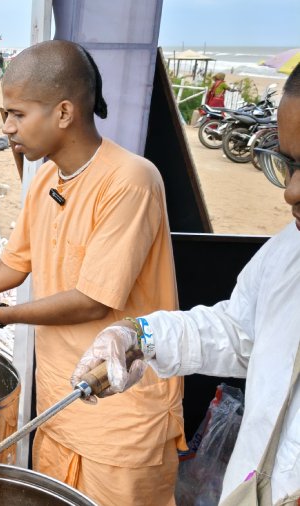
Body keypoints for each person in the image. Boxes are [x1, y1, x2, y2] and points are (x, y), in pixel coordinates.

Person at [0, 40, 184, 506]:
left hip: (121, 412)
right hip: (60, 402)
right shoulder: (44, 177)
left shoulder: (131, 180)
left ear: (64, 112)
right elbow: (13, 264)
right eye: (5, 113)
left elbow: (93, 299)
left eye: (17, 114)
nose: (6, 127)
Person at [71, 64, 300, 505]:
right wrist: (142, 335)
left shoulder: (132, 180)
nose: (290, 192)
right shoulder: (288, 249)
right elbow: (240, 330)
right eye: (289, 164)